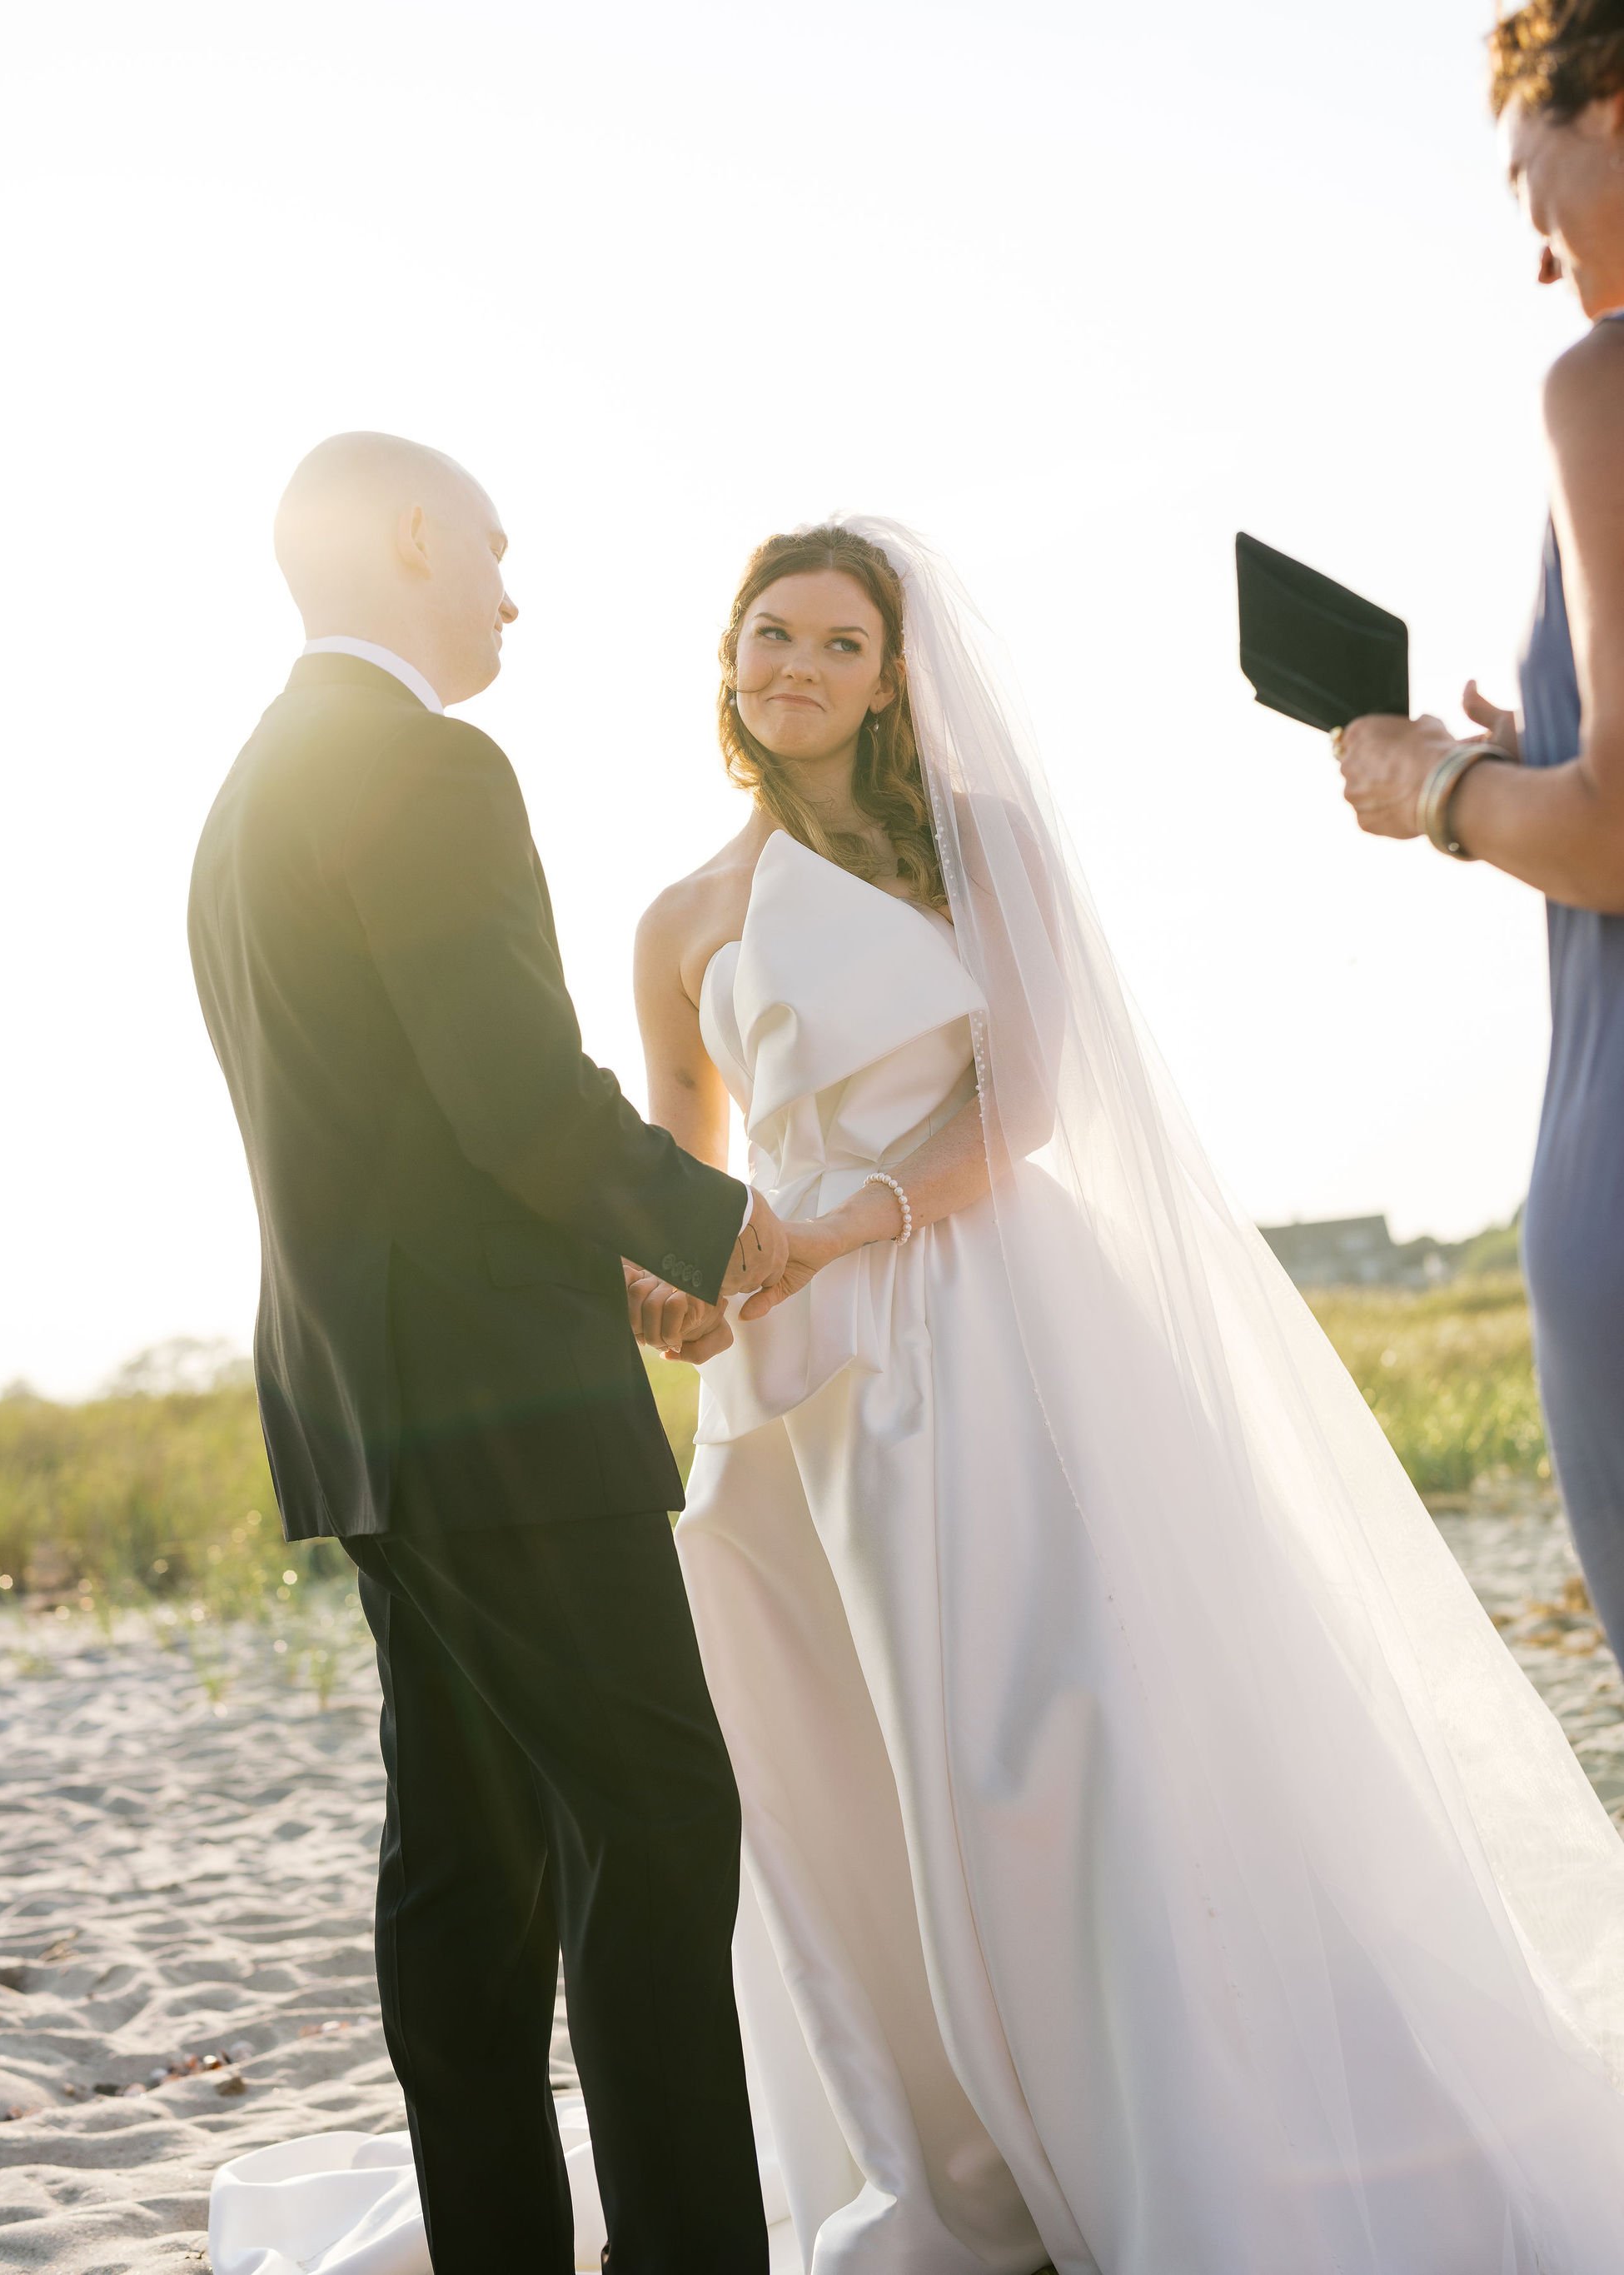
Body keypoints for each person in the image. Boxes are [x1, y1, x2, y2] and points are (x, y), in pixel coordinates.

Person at [628, 517, 1624, 2273]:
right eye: (767, 631)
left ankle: (1179, 2138)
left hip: (992, 1324)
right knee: (880, 1777)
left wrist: (841, 1223)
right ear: (728, 657)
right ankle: (973, 2156)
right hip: (803, 1390)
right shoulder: (683, 919)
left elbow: (1025, 1106)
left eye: (838, 643)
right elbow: (677, 1178)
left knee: (1069, 1730)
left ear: (891, 682)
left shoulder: (974, 847)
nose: (792, 663)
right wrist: (680, 1290)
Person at [189, 431, 786, 2275]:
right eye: (501, 550)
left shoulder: (246, 795)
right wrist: (712, 1225)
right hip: (502, 1414)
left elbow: (389, 1126)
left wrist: (580, 1257)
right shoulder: (428, 768)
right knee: (657, 1815)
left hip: (362, 1397)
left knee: (469, 1848)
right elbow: (512, 1089)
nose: (514, 593)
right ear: (419, 537)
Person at [1337, 2, 1624, 1649]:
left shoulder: (1601, 385)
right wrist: (1554, 744)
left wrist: (1433, 787)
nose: (1539, 262)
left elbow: (1607, 842)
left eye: (1535, 195)